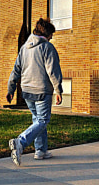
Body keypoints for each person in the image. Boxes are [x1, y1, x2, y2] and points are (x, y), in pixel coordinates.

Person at [7, 18, 63, 166]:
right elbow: (53, 71)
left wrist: (11, 88)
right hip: (41, 90)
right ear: (47, 34)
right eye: (51, 35)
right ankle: (20, 142)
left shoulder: (24, 47)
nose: (52, 37)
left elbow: (16, 69)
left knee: (37, 120)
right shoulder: (47, 48)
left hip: (26, 91)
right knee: (43, 120)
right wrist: (58, 90)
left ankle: (41, 150)